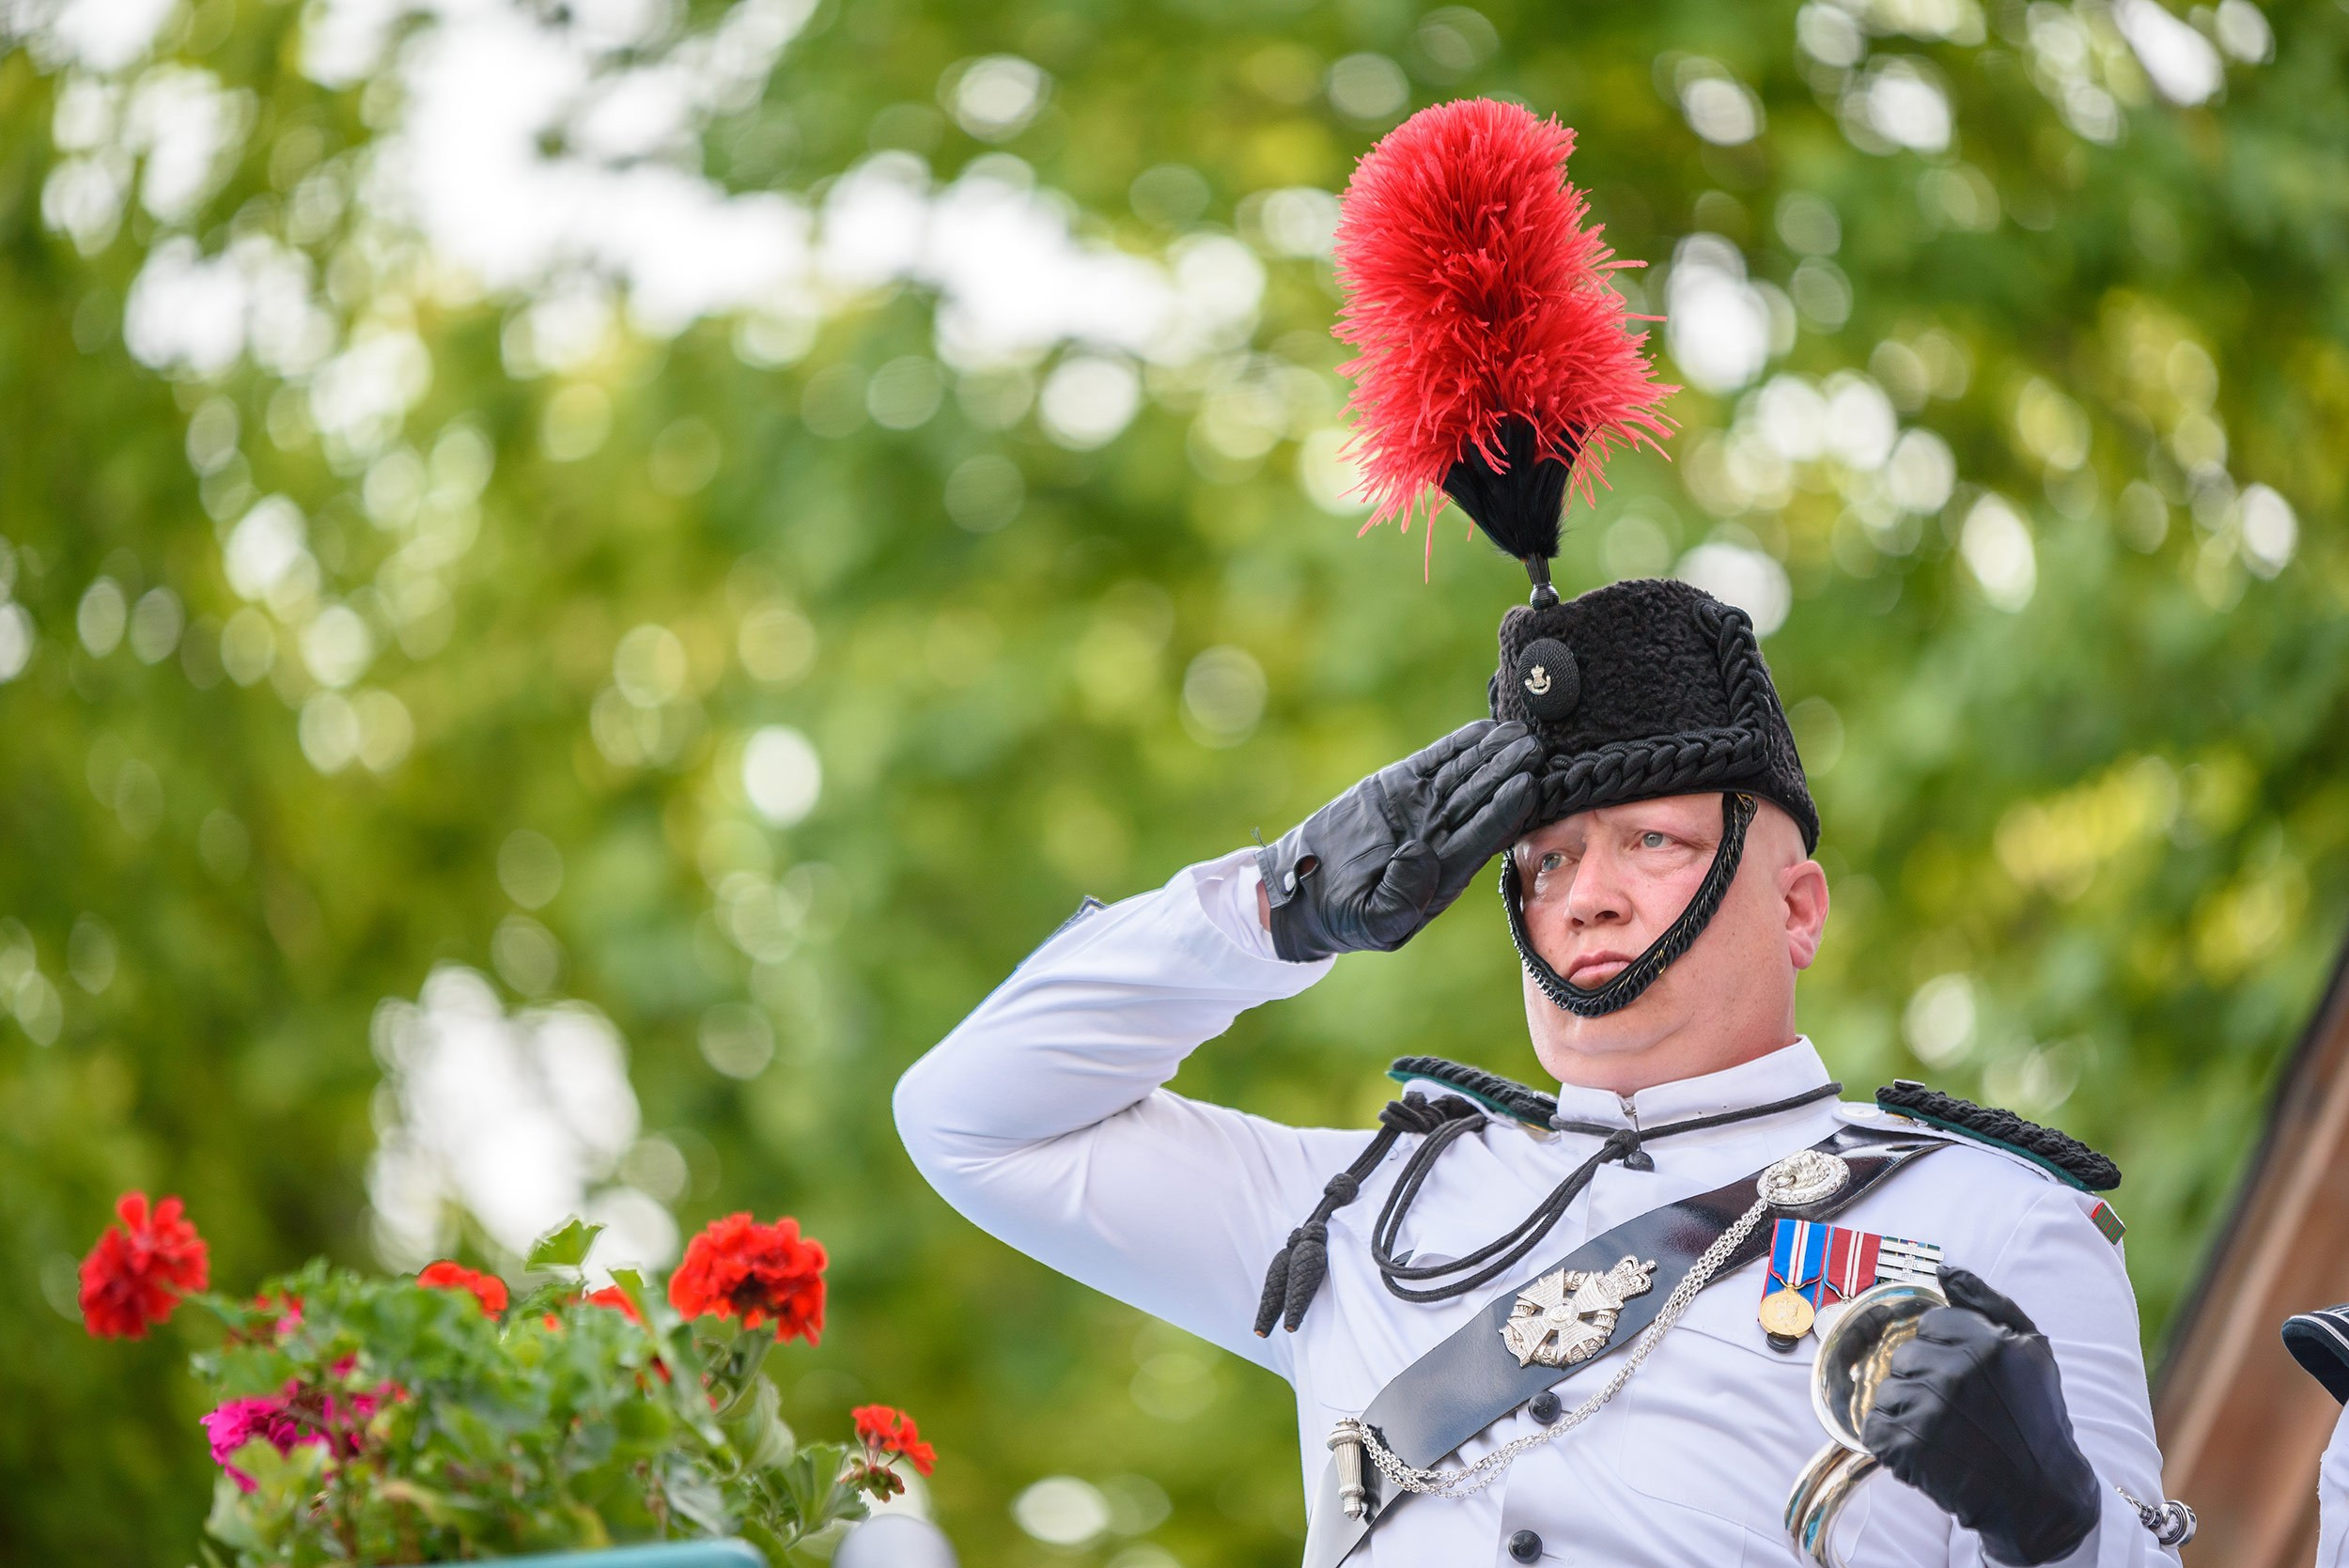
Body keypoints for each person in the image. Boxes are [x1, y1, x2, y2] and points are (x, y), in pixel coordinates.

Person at [895, 570, 2189, 1566]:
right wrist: (1273, 902)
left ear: (1799, 909)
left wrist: (2056, 1520)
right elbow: (970, 1120)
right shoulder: (1368, 1212)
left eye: (1653, 842)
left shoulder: (1986, 1216)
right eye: (1546, 860)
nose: (1590, 897)